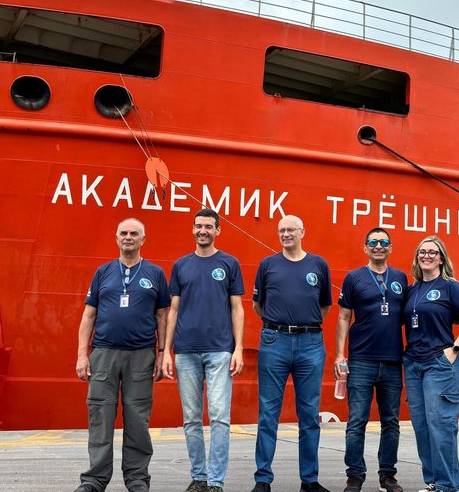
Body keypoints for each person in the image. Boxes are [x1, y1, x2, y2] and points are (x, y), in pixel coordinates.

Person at [74, 218, 170, 492]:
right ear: (116, 238)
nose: (128, 237)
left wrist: (163, 353)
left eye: (134, 234)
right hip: (103, 353)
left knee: (138, 419)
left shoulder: (155, 273)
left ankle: (137, 480)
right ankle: (94, 480)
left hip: (141, 355)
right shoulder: (103, 272)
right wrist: (83, 355)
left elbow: (162, 316)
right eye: (124, 233)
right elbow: (88, 315)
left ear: (143, 239)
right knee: (100, 416)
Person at [161, 208, 246, 492]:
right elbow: (173, 311)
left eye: (209, 227)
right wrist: (165, 352)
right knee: (191, 419)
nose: (203, 231)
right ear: (193, 229)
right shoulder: (181, 265)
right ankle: (199, 477)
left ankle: (216, 481)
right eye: (199, 226)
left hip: (220, 350)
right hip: (185, 351)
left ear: (218, 230)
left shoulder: (230, 263)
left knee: (220, 417)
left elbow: (237, 307)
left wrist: (238, 348)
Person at [251, 215, 332, 492]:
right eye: (282, 230)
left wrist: (303, 325)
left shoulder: (318, 264)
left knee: (309, 414)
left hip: (310, 342)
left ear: (302, 232)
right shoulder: (267, 265)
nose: (286, 234)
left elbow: (324, 306)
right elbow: (257, 305)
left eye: (291, 230)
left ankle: (309, 480)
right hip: (275, 341)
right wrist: (279, 325)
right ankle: (263, 479)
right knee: (268, 413)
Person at [403, 235, 459, 492]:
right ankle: (433, 481)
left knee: (441, 425)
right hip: (413, 364)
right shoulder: (412, 289)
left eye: (432, 252)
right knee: (422, 426)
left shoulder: (450, 286)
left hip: (439, 364)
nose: (426, 255)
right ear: (417, 258)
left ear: (441, 257)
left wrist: (455, 350)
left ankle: (447, 485)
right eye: (422, 252)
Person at [334, 228, 408, 492]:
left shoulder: (400, 278)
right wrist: (341, 355)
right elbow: (343, 317)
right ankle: (355, 476)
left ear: (391, 247)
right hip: (361, 360)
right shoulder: (353, 278)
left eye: (383, 242)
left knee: (391, 421)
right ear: (365, 248)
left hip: (392, 361)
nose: (378, 246)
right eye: (373, 242)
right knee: (357, 421)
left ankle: (387, 475)